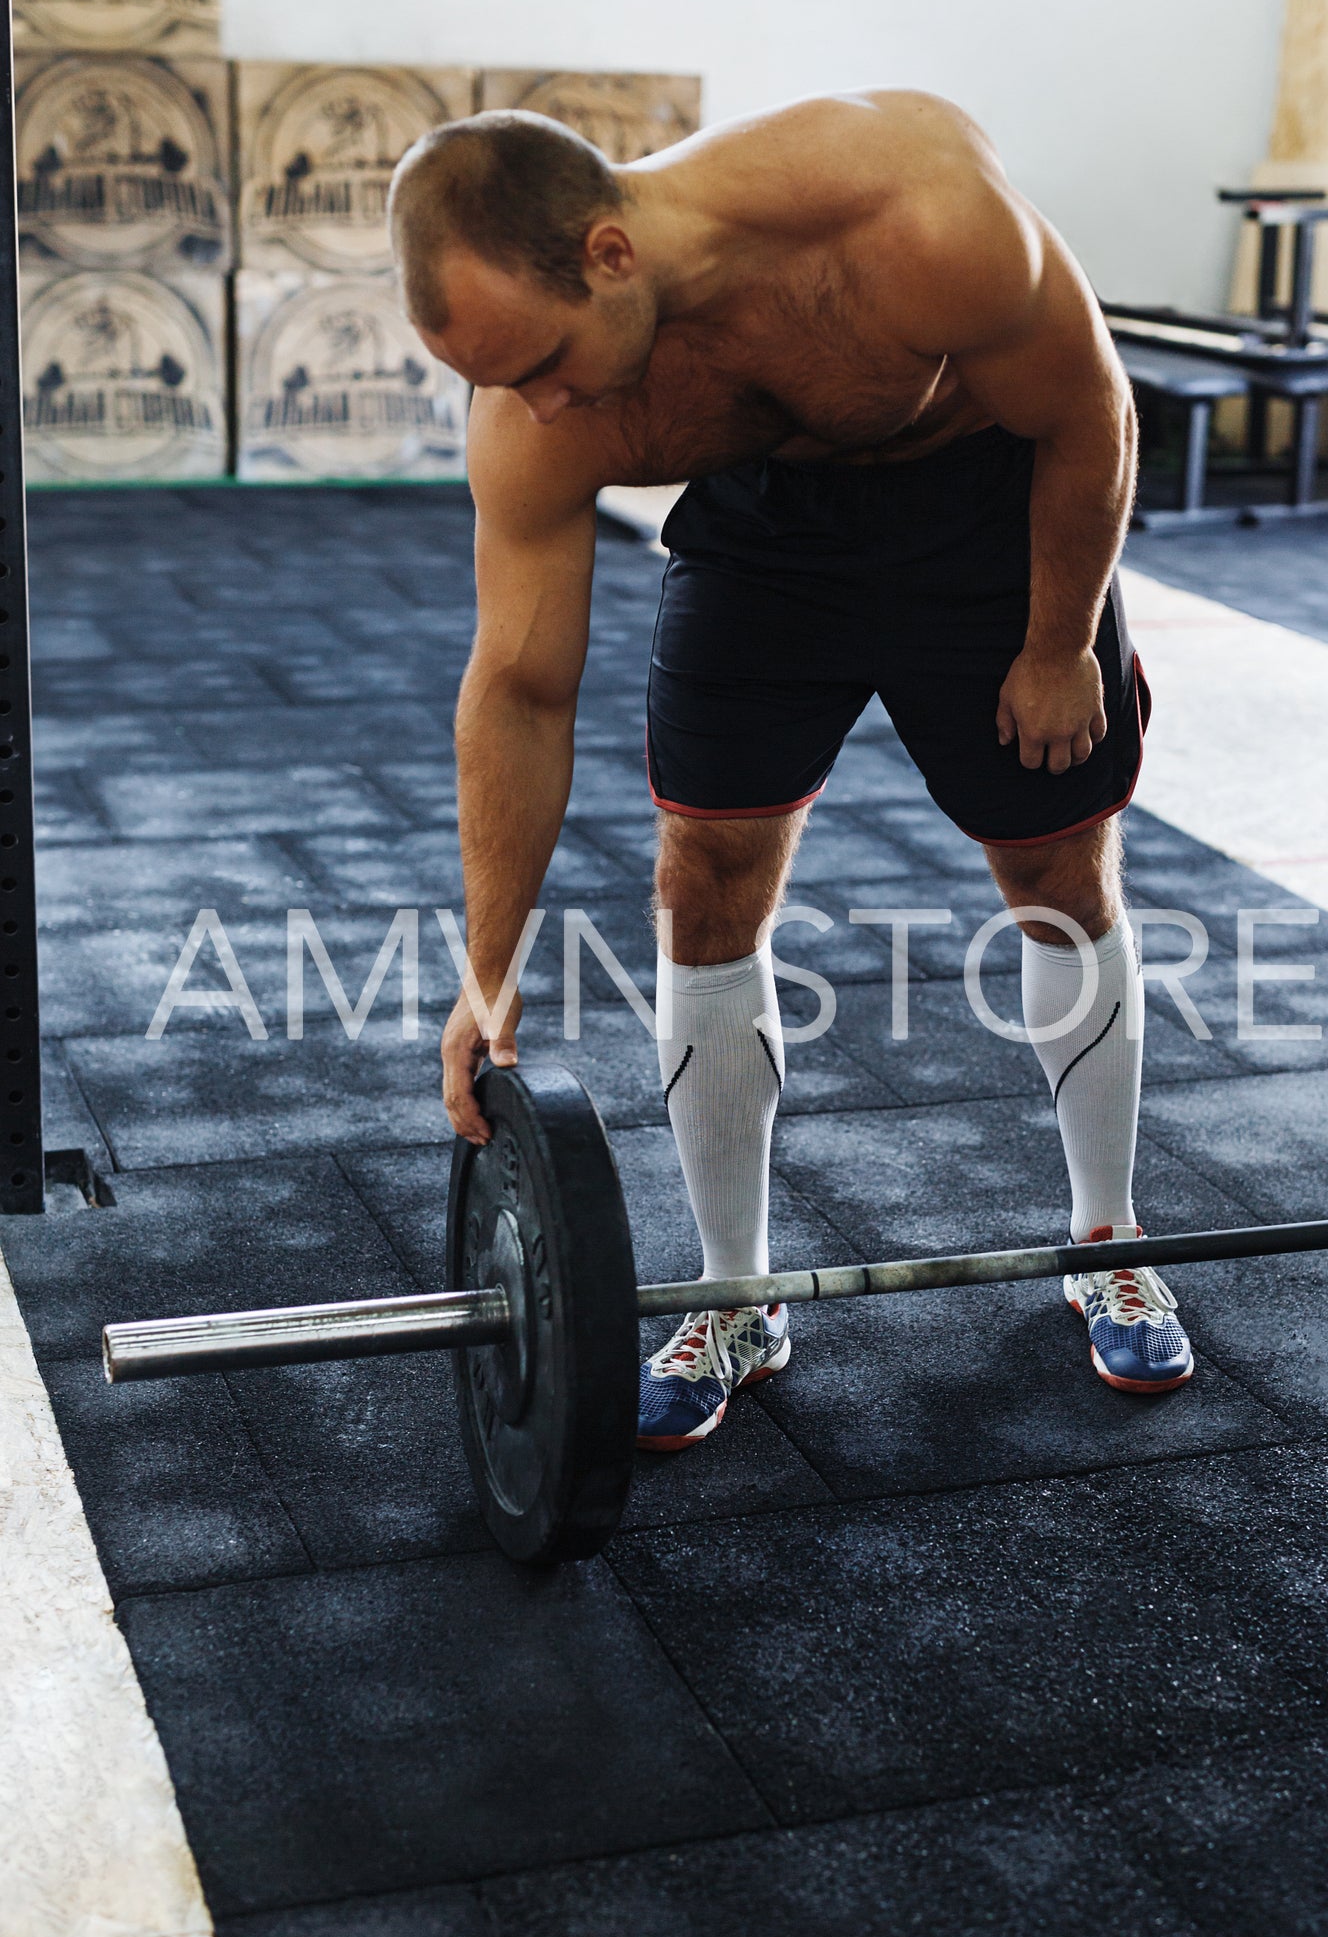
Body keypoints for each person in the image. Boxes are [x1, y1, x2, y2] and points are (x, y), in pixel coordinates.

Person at [388, 90, 1193, 1451]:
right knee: (699, 879)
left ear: (609, 253)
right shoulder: (537, 415)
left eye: (545, 361)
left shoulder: (910, 208)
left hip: (982, 504)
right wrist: (485, 972)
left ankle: (1103, 1234)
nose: (539, 405)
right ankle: (735, 1294)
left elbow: (1089, 411)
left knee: (1056, 869)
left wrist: (1056, 642)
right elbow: (520, 687)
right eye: (500, 382)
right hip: (764, 537)